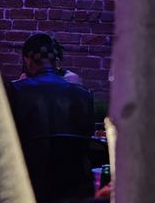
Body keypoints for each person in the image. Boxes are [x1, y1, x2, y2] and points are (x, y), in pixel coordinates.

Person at [7, 33, 94, 202]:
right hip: (74, 186)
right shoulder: (83, 94)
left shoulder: (15, 91)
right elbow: (88, 140)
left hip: (28, 183)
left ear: (28, 61)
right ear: (57, 62)